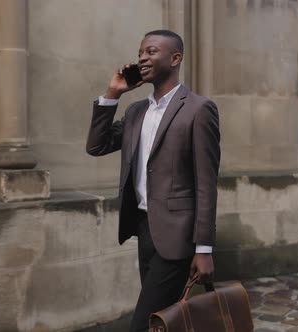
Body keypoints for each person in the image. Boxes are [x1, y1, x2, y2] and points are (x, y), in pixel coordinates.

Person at [86, 30, 220, 331]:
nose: (142, 58)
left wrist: (204, 249)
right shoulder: (136, 112)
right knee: (162, 321)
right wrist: (113, 94)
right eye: (140, 53)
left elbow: (206, 184)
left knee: (144, 323)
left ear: (175, 58)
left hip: (178, 235)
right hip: (143, 230)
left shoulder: (198, 109)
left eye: (151, 51)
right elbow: (96, 146)